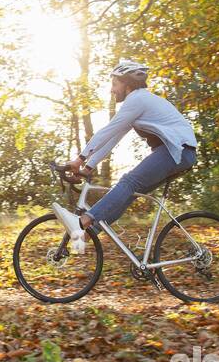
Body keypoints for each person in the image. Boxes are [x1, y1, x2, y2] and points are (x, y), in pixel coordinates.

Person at [52, 60, 198, 250]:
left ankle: (82, 223)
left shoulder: (137, 100)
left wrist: (80, 159)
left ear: (127, 83)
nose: (112, 90)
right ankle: (89, 233)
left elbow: (107, 130)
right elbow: (113, 138)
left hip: (177, 151)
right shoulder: (137, 103)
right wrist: (88, 167)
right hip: (179, 153)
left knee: (128, 183)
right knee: (128, 192)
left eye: (115, 84)